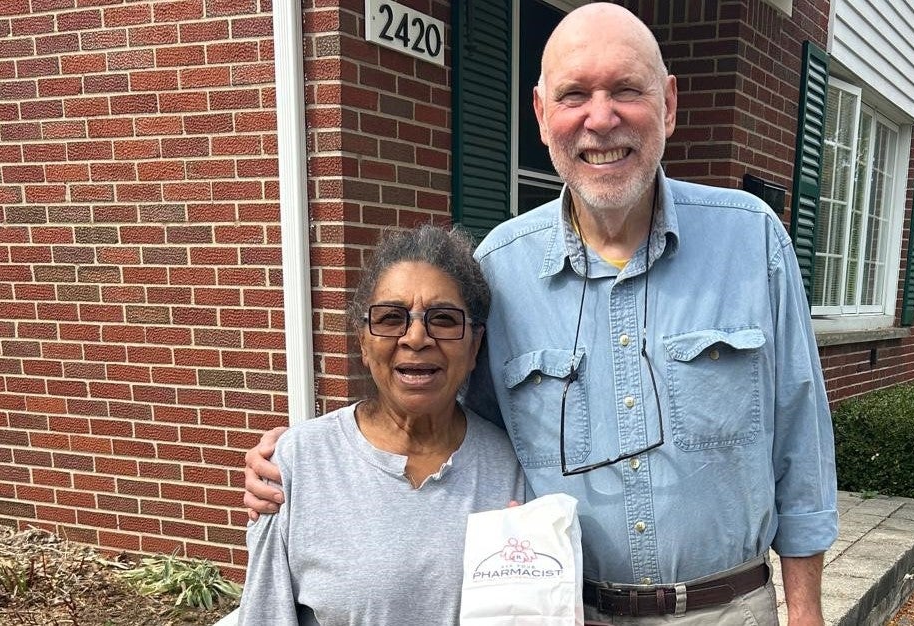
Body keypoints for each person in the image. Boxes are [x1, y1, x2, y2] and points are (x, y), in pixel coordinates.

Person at [245, 4, 837, 624]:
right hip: (562, 608)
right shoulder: (499, 267)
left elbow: (800, 436)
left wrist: (806, 609)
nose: (600, 119)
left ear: (668, 102)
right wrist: (310, 456)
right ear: (541, 114)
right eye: (575, 94)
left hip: (727, 608)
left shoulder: (751, 241)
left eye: (627, 91)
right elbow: (443, 418)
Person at [238, 225, 524, 625]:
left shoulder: (512, 468)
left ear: (474, 346)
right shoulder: (296, 464)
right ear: (363, 342)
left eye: (444, 319)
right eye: (391, 318)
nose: (417, 336)